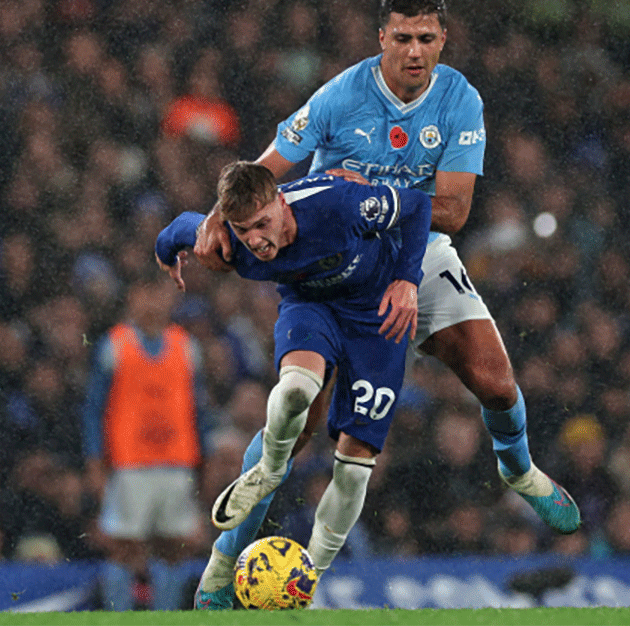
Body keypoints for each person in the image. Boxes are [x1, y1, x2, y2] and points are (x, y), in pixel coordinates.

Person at [191, 0, 580, 609]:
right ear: (382, 39)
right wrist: (215, 215)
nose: (415, 51)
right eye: (403, 38)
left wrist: (368, 197)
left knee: (496, 382)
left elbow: (451, 211)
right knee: (299, 420)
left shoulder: (459, 100)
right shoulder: (341, 97)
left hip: (411, 250)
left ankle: (519, 469)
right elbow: (263, 174)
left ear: (443, 40)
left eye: (427, 38)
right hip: (336, 262)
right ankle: (219, 565)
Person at [156, 160, 431, 607]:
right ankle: (256, 493)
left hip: (374, 315)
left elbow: (417, 206)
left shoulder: (341, 206)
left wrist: (406, 280)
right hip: (310, 306)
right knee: (297, 390)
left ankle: (307, 580)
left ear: (282, 203)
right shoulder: (230, 242)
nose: (257, 241)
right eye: (244, 230)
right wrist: (167, 252)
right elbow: (178, 229)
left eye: (263, 224)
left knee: (354, 461)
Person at [82, 275, 211, 610]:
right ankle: (118, 615)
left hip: (177, 462)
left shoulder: (186, 346)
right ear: (131, 298)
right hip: (130, 464)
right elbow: (94, 410)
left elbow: (200, 411)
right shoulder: (114, 344)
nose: (153, 303)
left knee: (174, 547)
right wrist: (94, 462)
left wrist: (204, 465)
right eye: (145, 293)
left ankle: (165, 615)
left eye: (160, 294)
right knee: (124, 547)